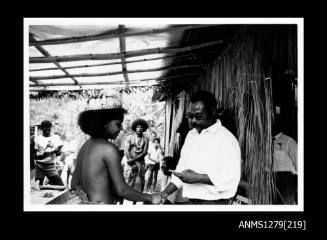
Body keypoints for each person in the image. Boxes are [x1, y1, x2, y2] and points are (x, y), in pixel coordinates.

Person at [71, 93, 161, 204]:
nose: (121, 128)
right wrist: (150, 197)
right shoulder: (108, 149)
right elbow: (122, 190)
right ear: (104, 123)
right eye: (118, 124)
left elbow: (74, 184)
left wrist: (87, 200)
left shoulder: (85, 146)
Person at [160, 90, 241, 204]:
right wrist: (164, 194)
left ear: (213, 112)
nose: (193, 121)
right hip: (191, 202)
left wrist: (198, 178)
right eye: (190, 116)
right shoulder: (191, 135)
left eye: (198, 116)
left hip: (214, 203)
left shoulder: (226, 139)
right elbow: (181, 170)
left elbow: (231, 178)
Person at [272, 115, 297, 204]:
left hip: (284, 181)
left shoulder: (289, 142)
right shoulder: (265, 143)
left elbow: (299, 165)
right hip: (268, 179)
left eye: (273, 121)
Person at [34, 120, 64, 186]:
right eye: (45, 130)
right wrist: (45, 154)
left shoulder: (56, 138)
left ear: (51, 128)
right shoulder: (37, 139)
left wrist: (58, 151)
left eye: (48, 130)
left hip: (50, 166)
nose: (47, 132)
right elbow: (34, 155)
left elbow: (58, 154)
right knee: (37, 187)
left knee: (60, 186)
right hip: (39, 166)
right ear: (41, 129)